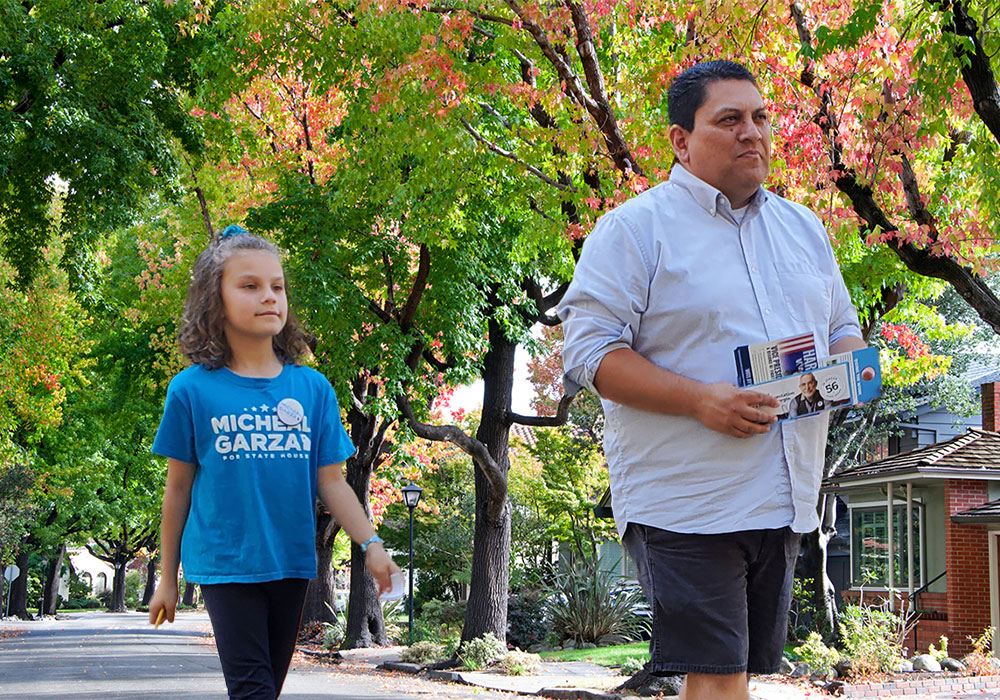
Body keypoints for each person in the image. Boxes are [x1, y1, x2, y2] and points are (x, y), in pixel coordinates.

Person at [559, 60, 869, 700]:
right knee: (719, 676)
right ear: (681, 139)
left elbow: (842, 327)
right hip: (687, 500)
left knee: (732, 674)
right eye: (729, 120)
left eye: (759, 117)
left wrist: (847, 373)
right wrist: (701, 400)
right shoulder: (633, 231)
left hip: (785, 493)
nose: (751, 132)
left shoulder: (804, 229)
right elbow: (590, 355)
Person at [147, 225, 400, 700]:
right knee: (253, 691)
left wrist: (372, 545)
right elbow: (178, 489)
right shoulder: (191, 390)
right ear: (214, 300)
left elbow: (333, 483)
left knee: (266, 689)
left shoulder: (312, 389)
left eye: (277, 286)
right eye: (250, 286)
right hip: (226, 565)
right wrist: (167, 577)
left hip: (292, 563)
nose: (269, 297)